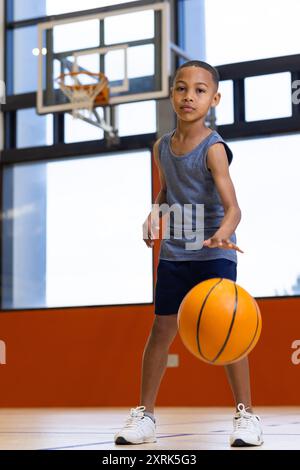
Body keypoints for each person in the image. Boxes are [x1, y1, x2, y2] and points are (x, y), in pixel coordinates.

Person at [114, 60, 263, 448]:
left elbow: (235, 209)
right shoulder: (161, 146)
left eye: (199, 90)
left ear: (213, 99)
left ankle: (246, 416)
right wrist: (153, 216)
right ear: (172, 94)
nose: (189, 96)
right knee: (161, 331)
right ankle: (145, 416)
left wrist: (220, 236)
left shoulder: (213, 149)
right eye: (182, 88)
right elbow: (168, 192)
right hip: (176, 253)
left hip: (215, 252)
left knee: (230, 331)